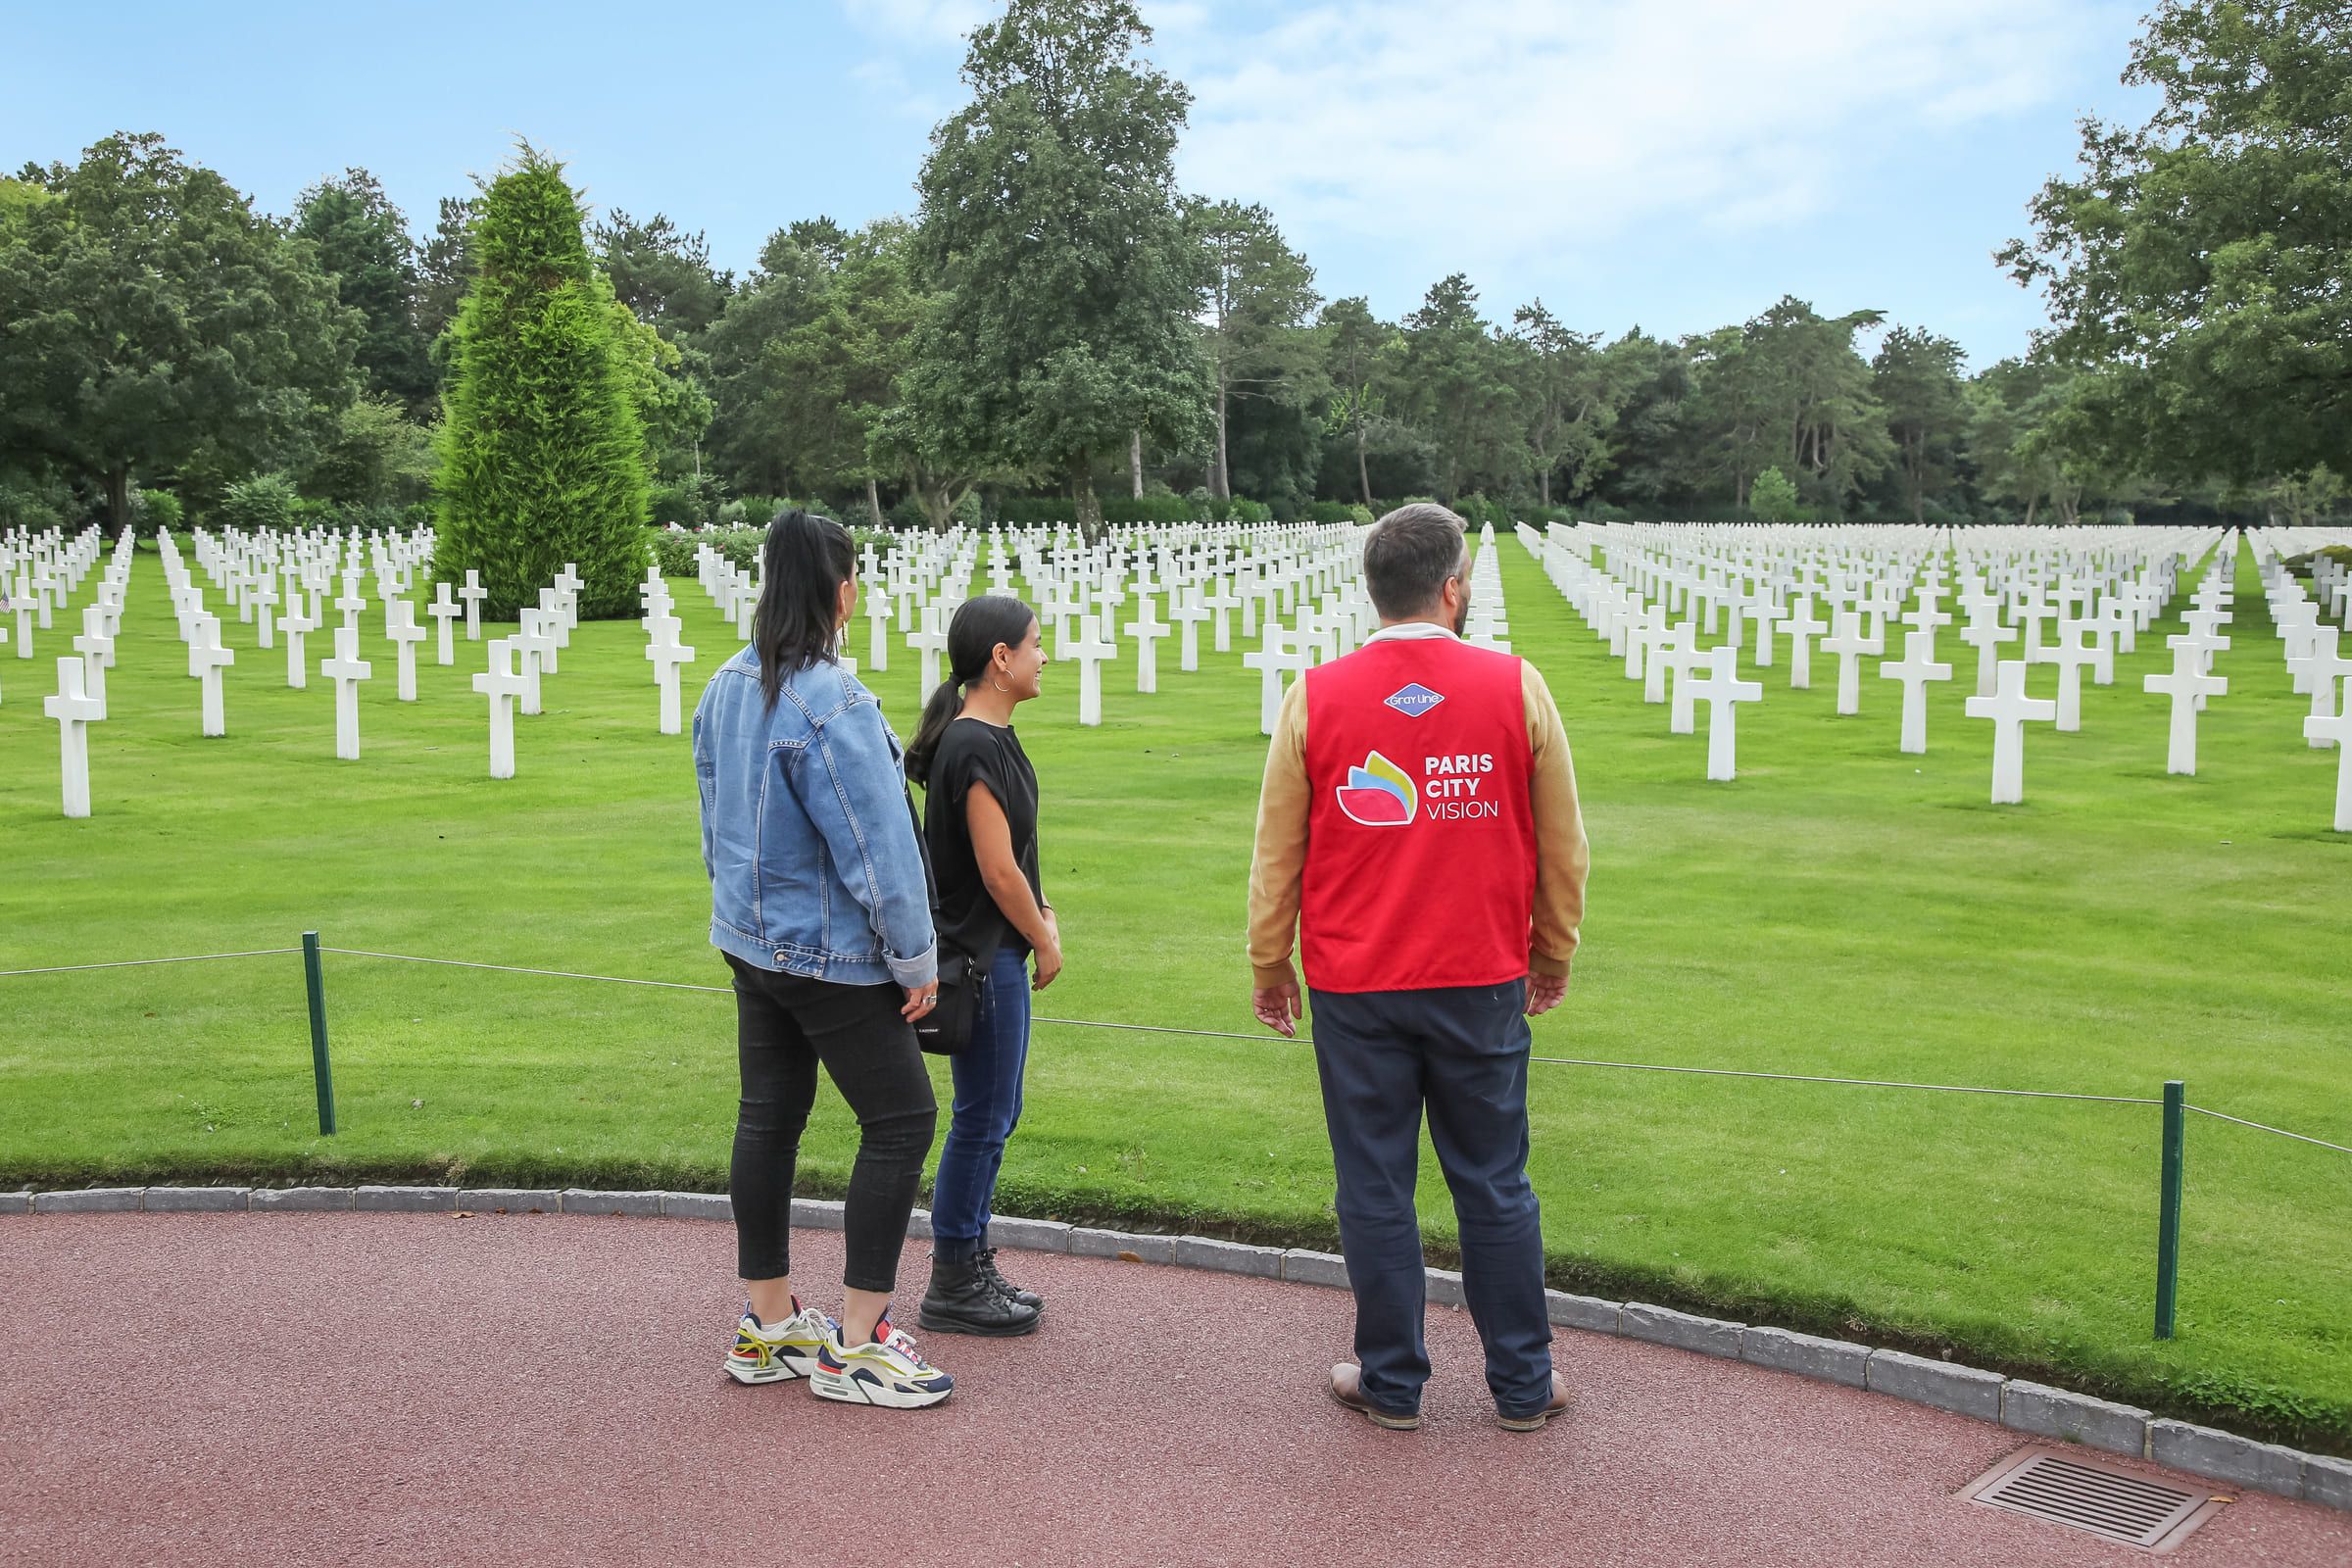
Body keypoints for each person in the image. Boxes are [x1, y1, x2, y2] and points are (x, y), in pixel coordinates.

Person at [1246, 503, 1590, 1433]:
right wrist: (1551, 950)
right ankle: (1523, 1385)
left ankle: (1391, 1381)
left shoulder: (1317, 695)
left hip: (1358, 985)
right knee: (1494, 1182)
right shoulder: (1518, 687)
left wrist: (1270, 961)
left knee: (1374, 1187)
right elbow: (1565, 850)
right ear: (1451, 587)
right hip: (1478, 976)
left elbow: (1279, 853)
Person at [692, 509, 954, 1411]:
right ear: (843, 593)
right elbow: (879, 848)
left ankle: (768, 1325)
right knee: (902, 1121)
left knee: (768, 1118)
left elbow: (712, 812)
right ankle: (859, 1340)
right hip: (829, 955)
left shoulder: (727, 684)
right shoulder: (832, 701)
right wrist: (915, 957)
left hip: (750, 942)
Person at [903, 595, 1059, 1336]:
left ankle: (971, 1258)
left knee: (997, 1114)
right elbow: (997, 872)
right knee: (983, 1119)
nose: (1043, 656)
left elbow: (1018, 856)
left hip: (998, 951)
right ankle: (954, 1278)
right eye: (1034, 644)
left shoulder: (993, 737)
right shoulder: (972, 744)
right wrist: (1046, 938)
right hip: (982, 958)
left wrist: (1045, 909)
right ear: (1000, 658)